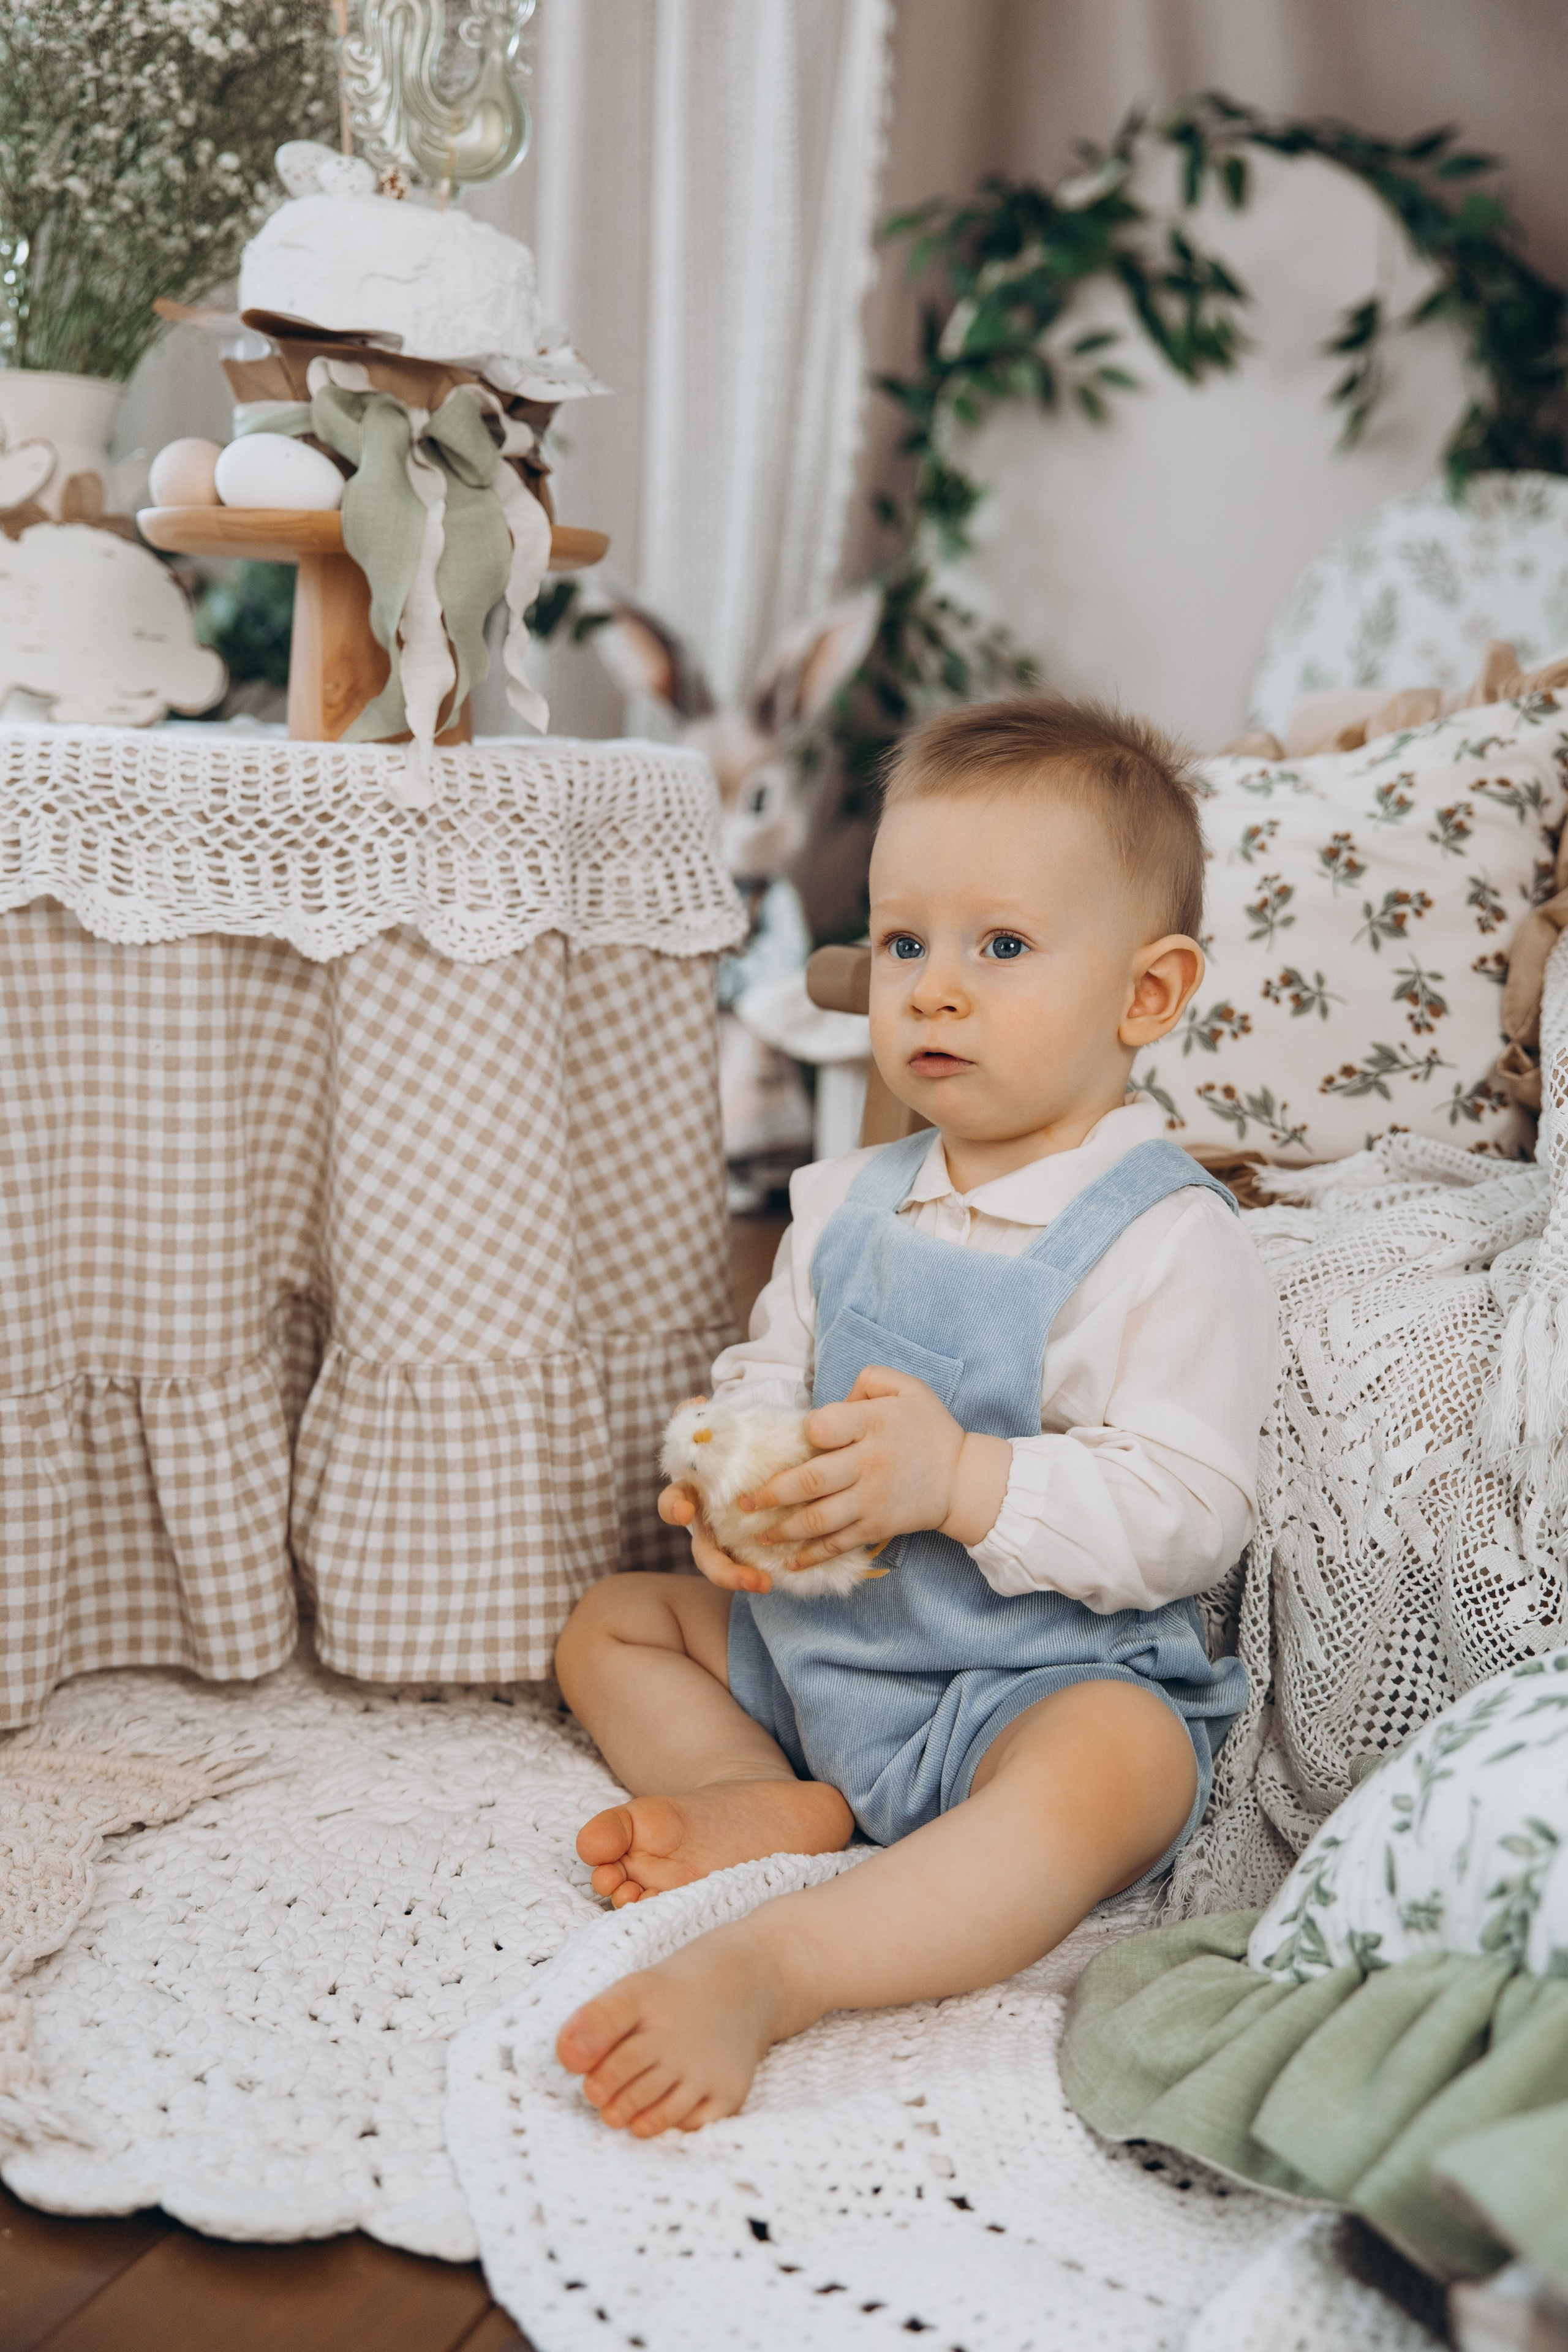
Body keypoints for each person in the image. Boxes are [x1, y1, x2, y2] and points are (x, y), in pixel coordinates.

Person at [551, 696, 1277, 2138]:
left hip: (1019, 1682)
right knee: (608, 1623)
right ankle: (758, 1797)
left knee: (1120, 1772)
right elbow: (773, 1367)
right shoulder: (844, 1204)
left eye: (999, 948)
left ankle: (785, 1960)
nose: (933, 991)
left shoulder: (1162, 1241)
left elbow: (1190, 1511)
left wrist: (963, 1482)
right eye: (903, 944)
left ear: (1145, 994)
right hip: (825, 1648)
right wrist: (728, 1469)